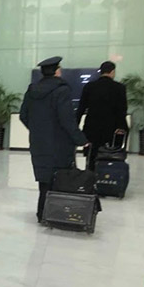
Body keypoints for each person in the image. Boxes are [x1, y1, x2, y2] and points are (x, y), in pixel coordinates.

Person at [20, 56, 88, 223]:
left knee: (44, 179)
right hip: (60, 145)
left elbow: (23, 115)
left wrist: (38, 131)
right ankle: (56, 214)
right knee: (60, 179)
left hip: (39, 143)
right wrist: (81, 139)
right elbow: (67, 120)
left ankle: (42, 213)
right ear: (57, 71)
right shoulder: (62, 90)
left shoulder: (32, 90)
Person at [76, 61, 129, 170]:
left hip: (92, 128)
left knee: (91, 155)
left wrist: (75, 125)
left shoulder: (89, 87)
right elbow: (122, 110)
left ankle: (90, 174)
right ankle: (107, 175)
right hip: (111, 130)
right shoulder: (119, 88)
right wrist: (122, 127)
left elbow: (81, 108)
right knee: (109, 156)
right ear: (112, 72)